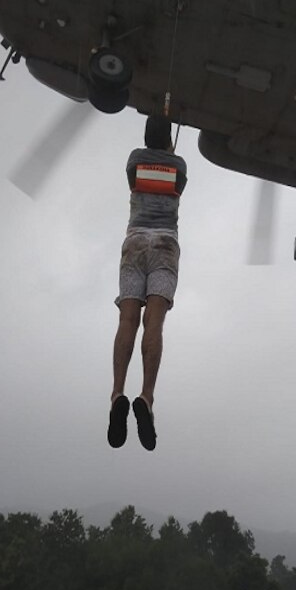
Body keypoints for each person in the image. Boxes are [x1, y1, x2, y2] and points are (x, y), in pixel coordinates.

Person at [107, 115, 188, 450]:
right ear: (169, 138)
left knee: (128, 320)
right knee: (153, 322)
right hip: (165, 247)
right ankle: (147, 397)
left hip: (135, 243)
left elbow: (132, 182)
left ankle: (117, 394)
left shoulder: (135, 159)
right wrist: (170, 152)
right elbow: (178, 187)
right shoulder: (179, 165)